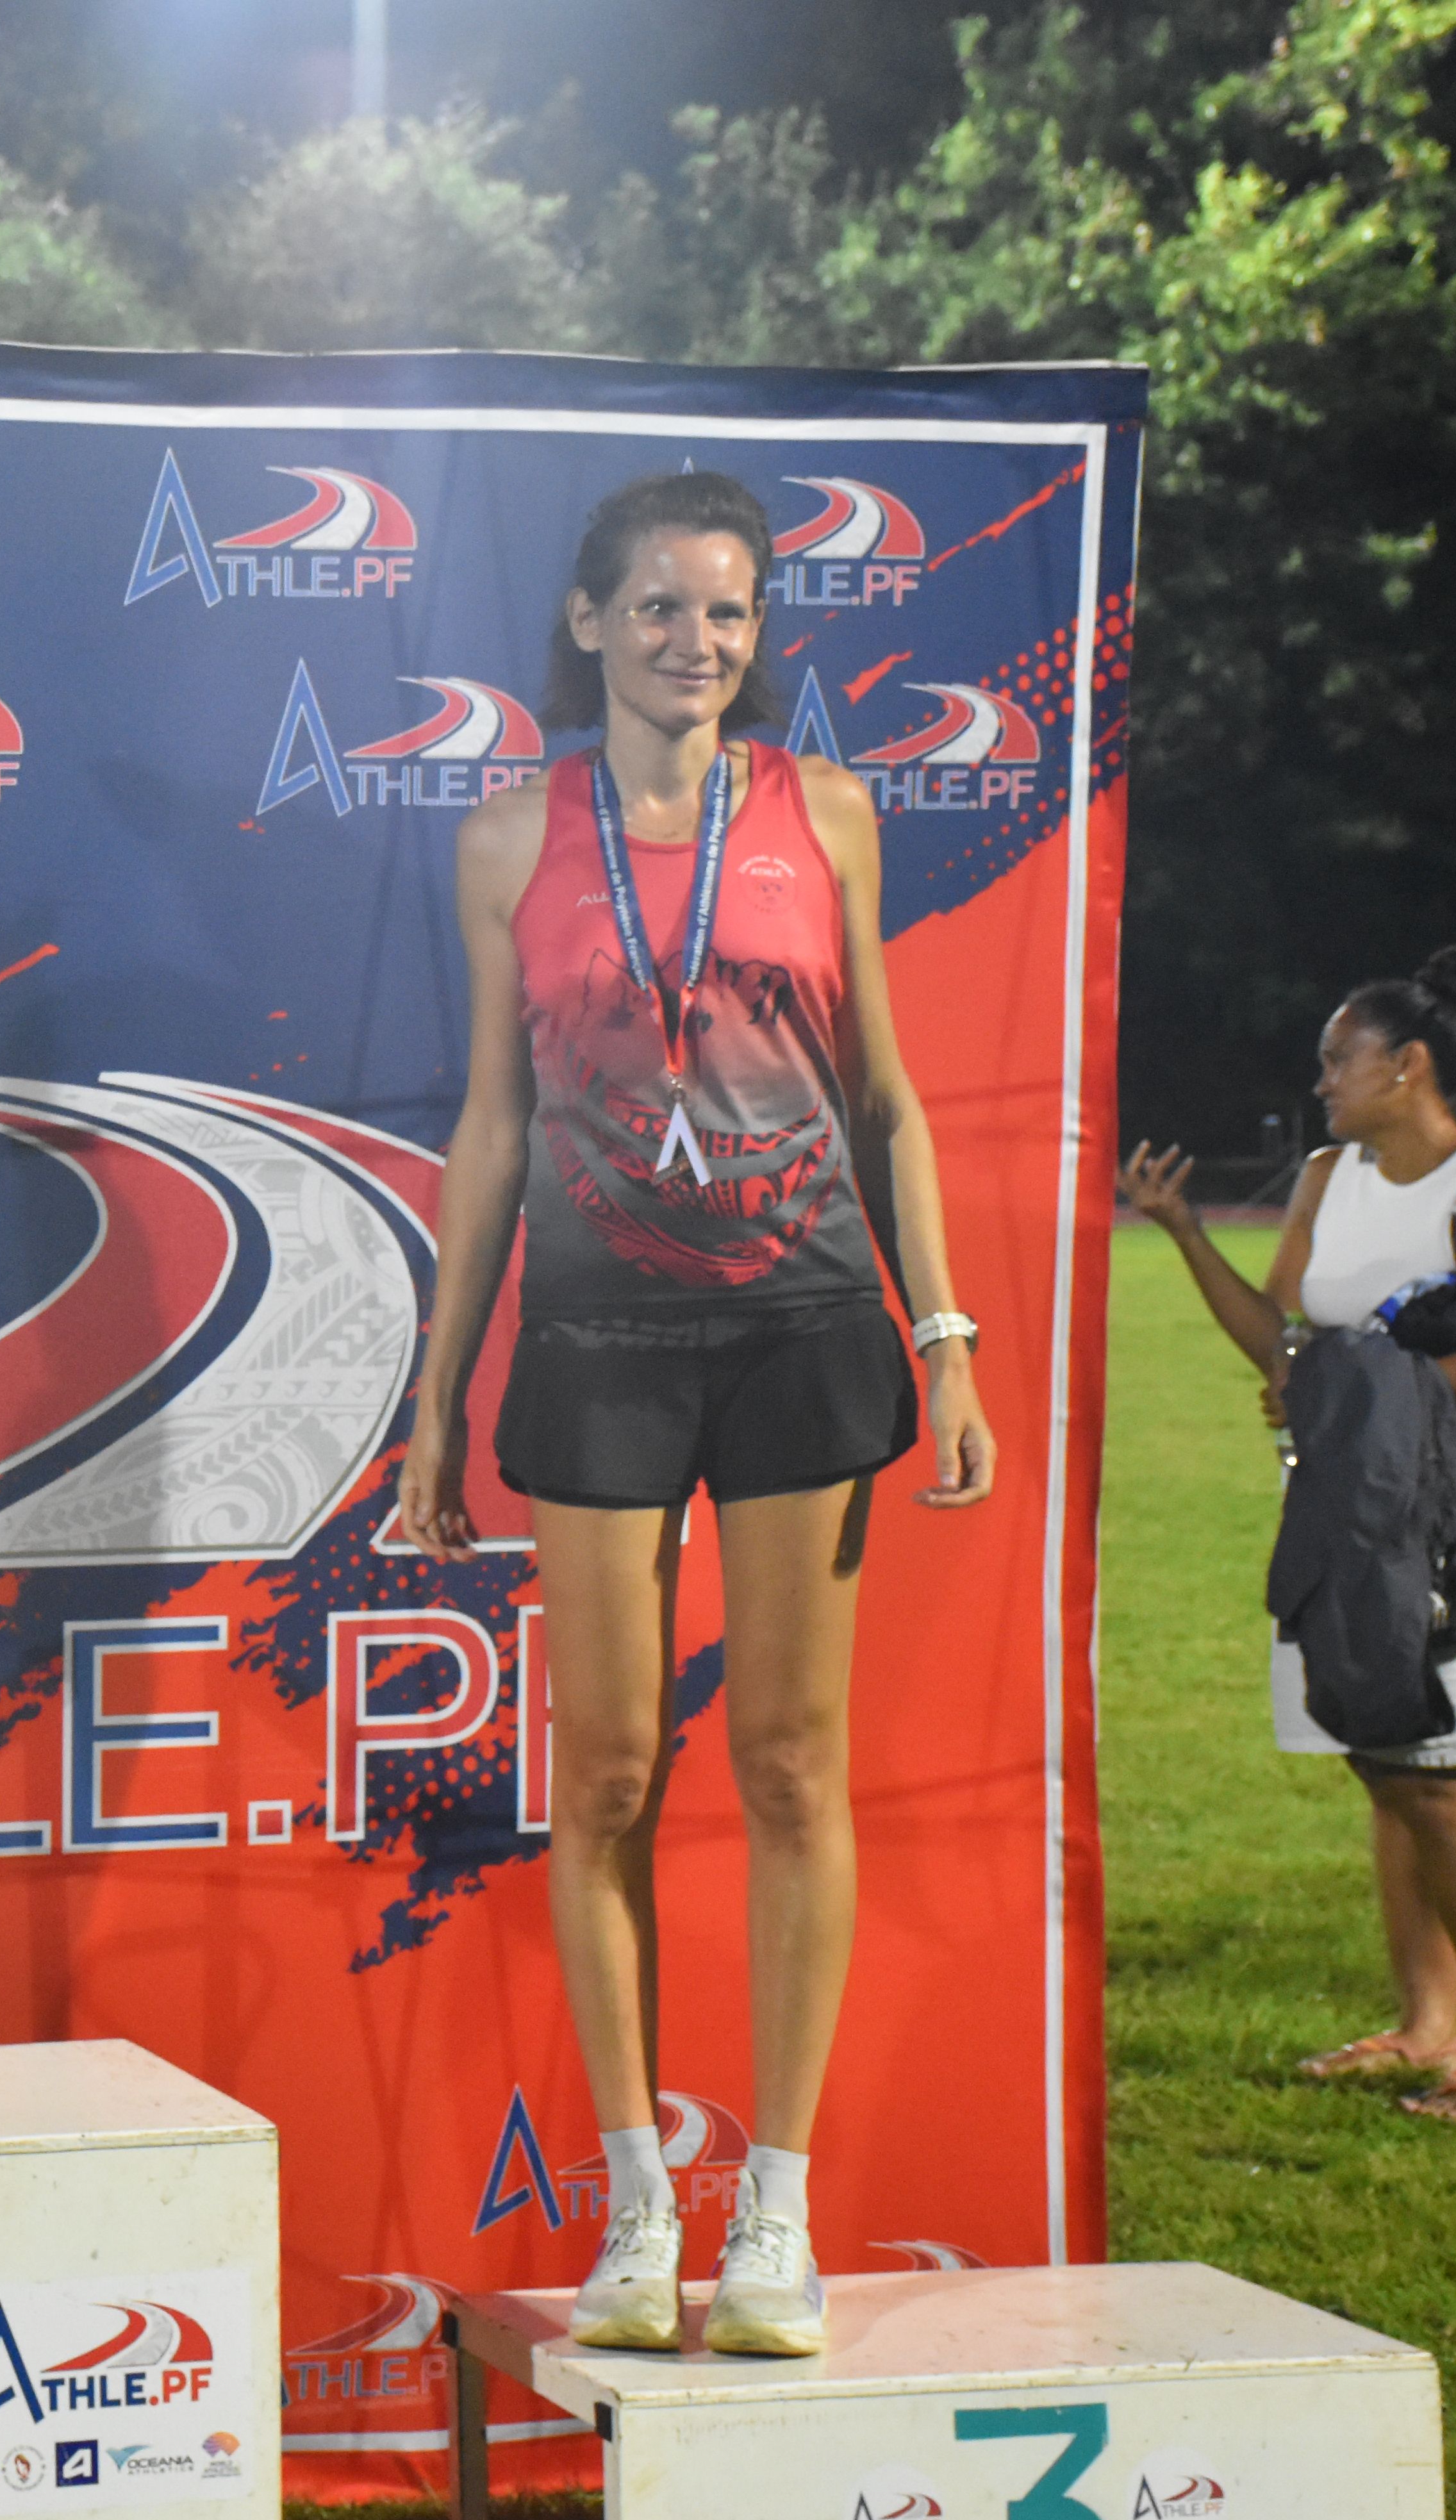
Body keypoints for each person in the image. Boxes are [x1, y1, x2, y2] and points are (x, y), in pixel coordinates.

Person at [397, 470, 994, 2358]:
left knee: (794, 1767)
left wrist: (948, 1331)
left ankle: (780, 2216)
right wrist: (437, 1389)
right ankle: (637, 2207)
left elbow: (883, 1099)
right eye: (658, 608)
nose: (696, 642)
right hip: (593, 1337)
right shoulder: (506, 836)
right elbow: (488, 1126)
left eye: (727, 613)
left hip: (802, 1321)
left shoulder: (825, 810)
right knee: (603, 1774)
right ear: (587, 624)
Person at [1121, 950, 1456, 2124]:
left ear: (1404, 1067)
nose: (1322, 1084)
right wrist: (1182, 1230)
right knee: (1383, 1767)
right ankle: (1427, 2027)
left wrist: (1344, 1391)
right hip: (1347, 1508)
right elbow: (1282, 1343)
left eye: (1337, 1060)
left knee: (1443, 1779)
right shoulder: (1328, 1173)